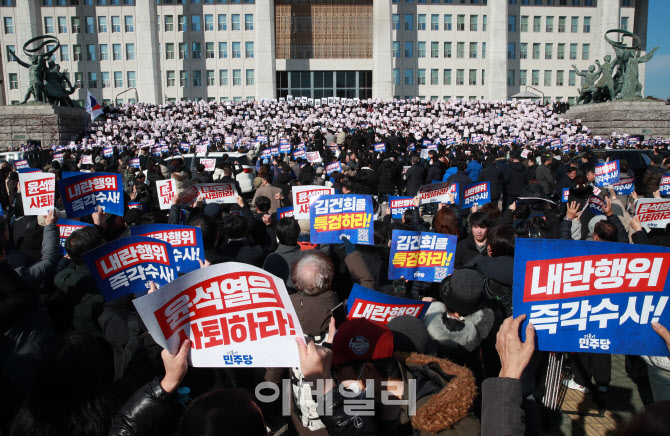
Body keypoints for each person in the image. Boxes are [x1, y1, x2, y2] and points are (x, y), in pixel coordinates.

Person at [296, 318, 481, 435]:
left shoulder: (446, 424)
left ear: (366, 371)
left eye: (336, 370)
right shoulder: (371, 398)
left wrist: (324, 386)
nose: (335, 377)